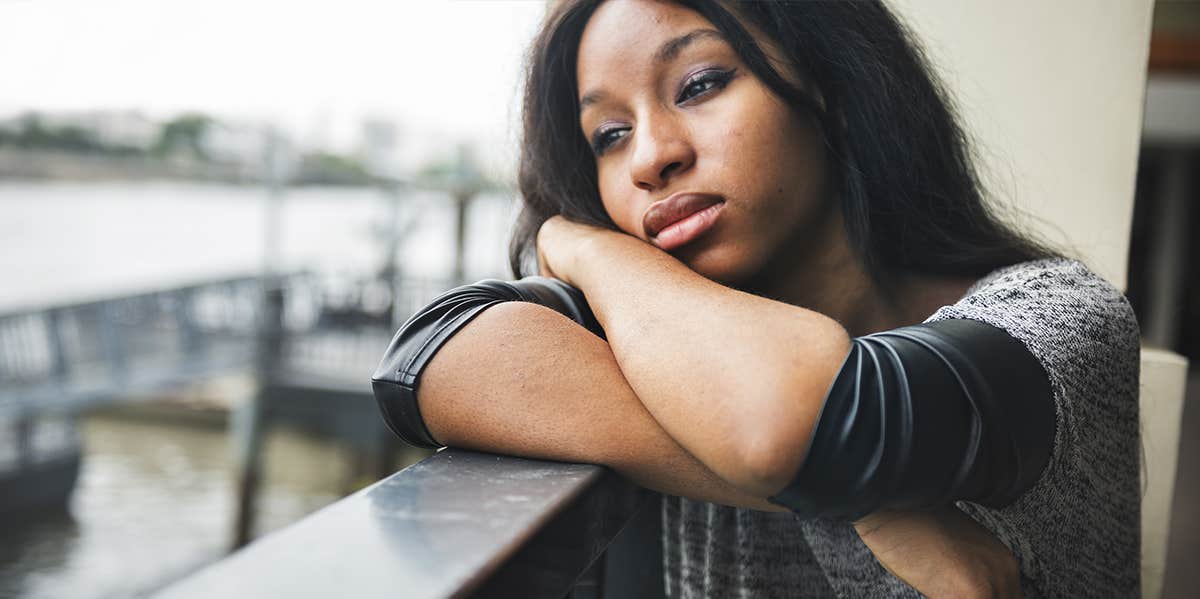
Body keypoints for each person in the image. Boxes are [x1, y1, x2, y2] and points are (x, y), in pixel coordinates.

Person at [371, 1, 1141, 597]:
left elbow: (792, 423)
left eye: (701, 84)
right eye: (608, 134)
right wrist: (867, 505)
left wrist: (579, 244)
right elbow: (429, 356)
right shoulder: (662, 327)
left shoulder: (1060, 319)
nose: (650, 157)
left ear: (833, 87)